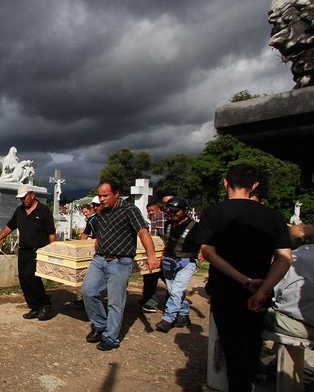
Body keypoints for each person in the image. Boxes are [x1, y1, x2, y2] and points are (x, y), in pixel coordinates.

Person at [197, 164, 293, 391]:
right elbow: (284, 259)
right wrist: (262, 289)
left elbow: (208, 252)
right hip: (259, 294)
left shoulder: (214, 212)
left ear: (225, 182)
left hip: (226, 289)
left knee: (233, 349)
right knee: (252, 343)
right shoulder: (274, 216)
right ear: (255, 186)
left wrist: (244, 280)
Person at [81, 180, 158, 351]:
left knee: (115, 302)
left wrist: (151, 255)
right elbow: (99, 234)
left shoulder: (129, 210)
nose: (101, 199)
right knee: (88, 291)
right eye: (100, 195)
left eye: (105, 195)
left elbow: (142, 232)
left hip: (120, 262)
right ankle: (100, 325)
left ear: (116, 194)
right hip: (99, 259)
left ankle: (111, 337)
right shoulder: (100, 212)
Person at [0, 184, 56, 321]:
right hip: (23, 251)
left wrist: (53, 253)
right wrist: (0, 238)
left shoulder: (43, 211)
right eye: (21, 198)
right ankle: (34, 307)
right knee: (23, 279)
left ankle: (45, 304)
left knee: (31, 276)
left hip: (38, 251)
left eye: (24, 197)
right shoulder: (20, 210)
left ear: (32, 195)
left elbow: (51, 233)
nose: (23, 200)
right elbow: (10, 226)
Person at [155, 198, 200, 332]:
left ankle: (168, 319)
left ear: (186, 211)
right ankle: (184, 315)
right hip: (169, 261)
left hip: (187, 262)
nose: (172, 213)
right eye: (170, 211)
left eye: (176, 211)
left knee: (176, 291)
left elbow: (203, 245)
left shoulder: (195, 227)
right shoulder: (169, 224)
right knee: (174, 291)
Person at [265, 224, 314, 339]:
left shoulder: (292, 260)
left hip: (303, 326)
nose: (302, 224)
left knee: (246, 309)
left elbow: (272, 293)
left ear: (304, 240)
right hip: (307, 323)